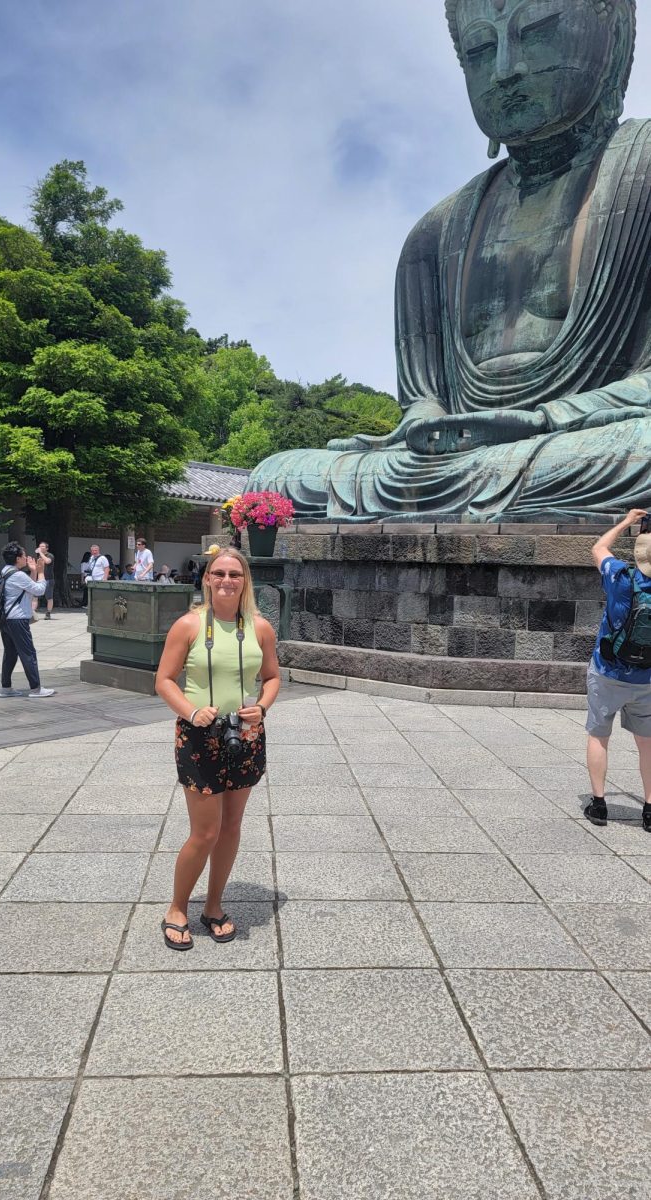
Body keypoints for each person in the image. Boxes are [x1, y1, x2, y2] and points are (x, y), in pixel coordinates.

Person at [249, 0, 651, 522]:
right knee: (277, 475)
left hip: (589, 439)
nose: (507, 70)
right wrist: (427, 419)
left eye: (537, 31)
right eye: (481, 49)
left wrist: (544, 420)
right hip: (464, 460)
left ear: (611, 38)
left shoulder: (642, 173)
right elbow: (425, 399)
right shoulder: (436, 232)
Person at [155, 547, 280, 949]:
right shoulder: (189, 625)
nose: (227, 580)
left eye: (235, 574)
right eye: (219, 573)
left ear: (246, 581)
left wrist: (260, 707)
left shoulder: (260, 627)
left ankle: (213, 905)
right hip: (199, 735)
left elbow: (274, 677)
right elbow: (165, 680)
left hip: (244, 734)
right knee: (205, 831)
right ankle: (177, 907)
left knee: (231, 827)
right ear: (207, 579)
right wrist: (192, 713)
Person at [585, 508, 651, 833]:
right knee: (648, 743)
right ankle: (650, 810)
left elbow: (598, 548)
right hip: (647, 679)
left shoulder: (620, 577)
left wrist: (626, 522)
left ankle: (599, 805)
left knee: (599, 735)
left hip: (608, 671)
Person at [0, 541, 55, 698]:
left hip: (6, 619)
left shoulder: (5, 572)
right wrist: (41, 572)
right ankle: (36, 688)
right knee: (28, 653)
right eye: (23, 555)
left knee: (10, 653)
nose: (25, 558)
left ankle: (6, 688)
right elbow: (39, 590)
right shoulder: (18, 575)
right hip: (18, 620)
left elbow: (26, 589)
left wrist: (33, 571)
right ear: (17, 558)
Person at [32, 541, 54, 621]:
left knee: (49, 597)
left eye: (43, 546)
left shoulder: (50, 555)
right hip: (40, 579)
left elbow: (48, 561)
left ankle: (48, 613)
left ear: (47, 548)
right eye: (40, 546)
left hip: (48, 579)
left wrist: (41, 553)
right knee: (35, 596)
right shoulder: (39, 557)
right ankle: (32, 612)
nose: (40, 547)